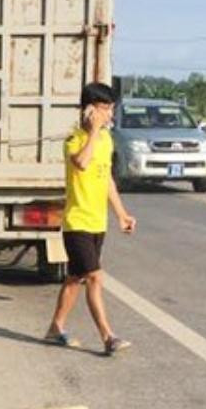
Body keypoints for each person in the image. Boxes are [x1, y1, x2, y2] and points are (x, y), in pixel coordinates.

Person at [45, 82, 136, 356]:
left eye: (110, 109)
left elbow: (106, 178)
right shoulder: (74, 140)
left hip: (98, 223)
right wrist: (93, 131)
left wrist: (121, 214)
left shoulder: (107, 141)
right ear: (88, 110)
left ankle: (55, 327)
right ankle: (108, 337)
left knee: (75, 279)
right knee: (95, 278)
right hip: (77, 223)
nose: (109, 114)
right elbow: (82, 163)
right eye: (104, 109)